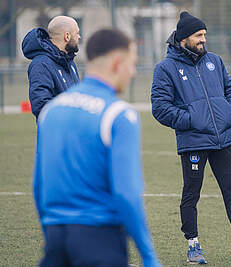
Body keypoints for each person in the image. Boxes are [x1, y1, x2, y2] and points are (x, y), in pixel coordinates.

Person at [151, 11, 231, 265]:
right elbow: (160, 107)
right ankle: (193, 246)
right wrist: (192, 120)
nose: (203, 40)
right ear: (184, 38)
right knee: (191, 193)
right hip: (194, 142)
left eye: (204, 35)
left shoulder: (214, 61)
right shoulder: (165, 68)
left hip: (225, 140)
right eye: (198, 35)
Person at [33, 28, 161, 267]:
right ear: (116, 63)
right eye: (132, 64)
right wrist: (149, 256)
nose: (133, 73)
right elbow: (127, 194)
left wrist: (51, 233)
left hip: (56, 239)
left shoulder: (51, 111)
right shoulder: (119, 115)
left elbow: (39, 185)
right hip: (101, 241)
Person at [22, 15, 81, 119]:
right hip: (55, 134)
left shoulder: (70, 62)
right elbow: (41, 106)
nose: (79, 37)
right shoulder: (41, 65)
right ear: (67, 36)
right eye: (77, 33)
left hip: (73, 134)